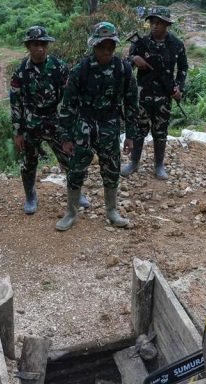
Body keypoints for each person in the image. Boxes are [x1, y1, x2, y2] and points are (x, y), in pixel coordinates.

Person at [56, 22, 138, 231]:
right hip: (84, 124)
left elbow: (131, 104)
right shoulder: (80, 70)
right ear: (94, 46)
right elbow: (68, 106)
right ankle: (71, 212)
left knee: (111, 168)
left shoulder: (123, 69)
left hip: (110, 124)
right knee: (76, 168)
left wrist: (130, 135)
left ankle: (111, 211)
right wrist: (65, 137)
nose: (106, 51)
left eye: (110, 46)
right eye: (102, 46)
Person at [9, 25, 90, 214]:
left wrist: (70, 127)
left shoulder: (59, 67)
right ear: (28, 46)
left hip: (55, 120)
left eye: (43, 44)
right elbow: (15, 104)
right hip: (31, 122)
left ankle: (76, 193)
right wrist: (18, 132)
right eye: (35, 44)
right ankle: (30, 196)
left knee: (69, 159)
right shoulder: (20, 71)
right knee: (29, 162)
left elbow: (69, 99)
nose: (40, 48)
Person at [121, 6, 188, 180]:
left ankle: (159, 165)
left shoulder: (176, 45)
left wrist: (179, 87)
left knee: (160, 132)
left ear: (167, 24)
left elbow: (183, 68)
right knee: (139, 130)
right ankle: (134, 162)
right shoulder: (140, 43)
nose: (155, 26)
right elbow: (126, 65)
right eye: (152, 22)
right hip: (143, 94)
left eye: (159, 22)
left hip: (164, 96)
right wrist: (133, 59)